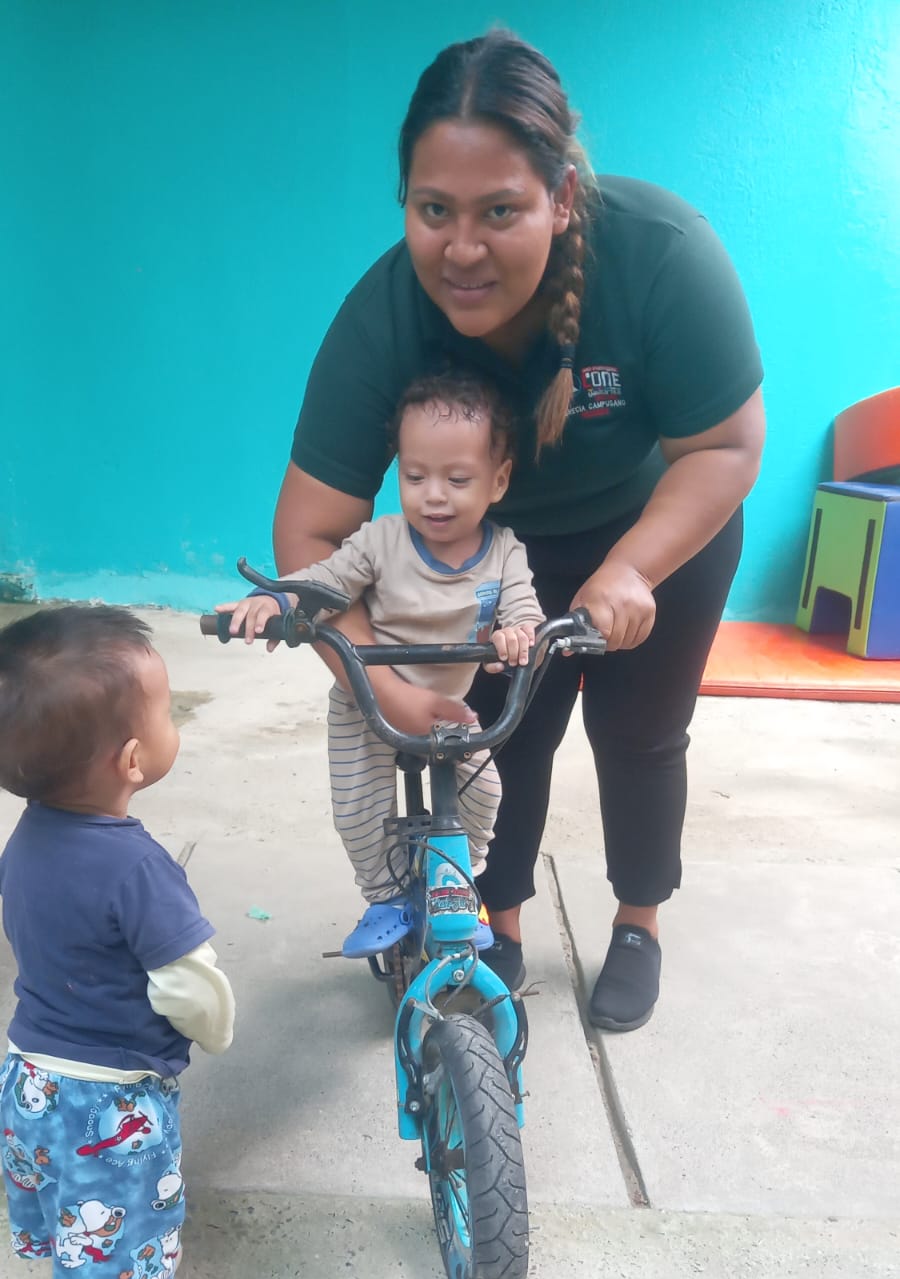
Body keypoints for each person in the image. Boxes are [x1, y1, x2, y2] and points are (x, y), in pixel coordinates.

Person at [225, 30, 765, 1031]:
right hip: (491, 554)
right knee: (494, 741)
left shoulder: (662, 254)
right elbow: (312, 533)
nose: (462, 249)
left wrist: (631, 570)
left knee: (640, 734)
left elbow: (726, 446)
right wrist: (381, 684)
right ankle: (497, 922)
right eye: (435, 210)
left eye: (500, 211)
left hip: (660, 535)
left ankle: (638, 924)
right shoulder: (384, 318)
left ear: (562, 197)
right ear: (406, 203)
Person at [0, 606, 256, 1279]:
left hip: (30, 1076)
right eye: (168, 710)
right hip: (108, 1098)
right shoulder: (138, 868)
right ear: (134, 759)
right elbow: (188, 985)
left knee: (73, 1200)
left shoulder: (26, 839)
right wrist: (215, 1029)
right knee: (136, 1227)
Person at [221, 371, 544, 958]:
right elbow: (325, 580)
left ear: (498, 481)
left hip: (446, 708)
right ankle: (385, 896)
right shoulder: (380, 541)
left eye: (457, 479)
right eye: (415, 477)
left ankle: (458, 882)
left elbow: (523, 607)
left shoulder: (504, 551)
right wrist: (276, 601)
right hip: (363, 701)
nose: (434, 495)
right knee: (359, 808)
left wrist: (520, 633)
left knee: (485, 793)